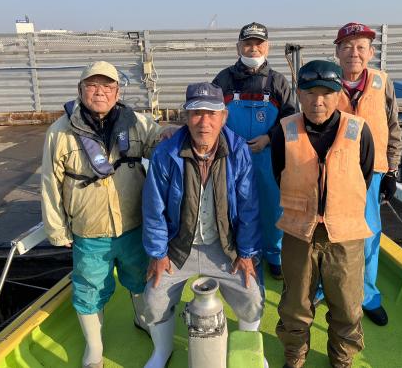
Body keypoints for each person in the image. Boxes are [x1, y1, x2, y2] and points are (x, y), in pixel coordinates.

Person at [41, 61, 163, 368]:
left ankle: (142, 319)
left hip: (133, 225)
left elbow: (161, 144)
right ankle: (94, 347)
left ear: (117, 92)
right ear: (80, 90)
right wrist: (57, 229)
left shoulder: (136, 122)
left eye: (108, 86)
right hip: (89, 230)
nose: (100, 92)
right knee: (89, 289)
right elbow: (49, 183)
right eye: (93, 85)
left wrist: (180, 131)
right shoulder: (60, 132)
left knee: (141, 277)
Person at [142, 82, 265, 368]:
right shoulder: (166, 153)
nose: (204, 122)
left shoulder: (238, 151)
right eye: (197, 113)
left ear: (224, 117)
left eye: (212, 113)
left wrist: (246, 252)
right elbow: (154, 208)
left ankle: (248, 350)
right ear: (186, 116)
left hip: (223, 245)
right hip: (179, 246)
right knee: (154, 297)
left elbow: (248, 206)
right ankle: (162, 351)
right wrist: (159, 254)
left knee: (252, 296)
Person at [271, 60, 375, 368]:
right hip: (298, 232)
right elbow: (279, 173)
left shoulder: (359, 130)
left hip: (345, 234)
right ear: (299, 94)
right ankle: (295, 355)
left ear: (339, 93)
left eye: (327, 93)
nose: (318, 101)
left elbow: (364, 175)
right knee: (295, 303)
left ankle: (342, 359)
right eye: (310, 93)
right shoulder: (285, 131)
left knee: (347, 305)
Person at [213, 22, 296, 279]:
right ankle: (238, 251)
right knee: (232, 206)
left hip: (267, 158)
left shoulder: (278, 82)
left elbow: (291, 120)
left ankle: (274, 254)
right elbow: (211, 115)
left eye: (258, 44)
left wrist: (269, 138)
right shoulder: (223, 79)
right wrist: (227, 142)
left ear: (267, 47)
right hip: (230, 157)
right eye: (247, 44)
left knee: (272, 208)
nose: (253, 48)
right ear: (238, 47)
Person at [333, 22, 402, 327]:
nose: (354, 53)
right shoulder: (326, 82)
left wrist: (392, 170)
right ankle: (326, 286)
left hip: (372, 173)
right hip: (333, 171)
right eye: (347, 47)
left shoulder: (382, 82)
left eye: (361, 47)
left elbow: (393, 127)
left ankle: (367, 294)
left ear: (371, 52)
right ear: (337, 52)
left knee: (369, 233)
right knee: (329, 231)